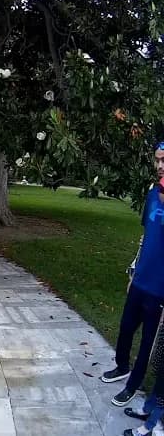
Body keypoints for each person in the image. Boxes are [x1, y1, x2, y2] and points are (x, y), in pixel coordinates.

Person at [101, 141, 164, 407]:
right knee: (126, 328)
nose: (160, 165)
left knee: (147, 342)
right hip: (140, 280)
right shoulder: (152, 194)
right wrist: (133, 270)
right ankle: (122, 366)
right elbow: (145, 235)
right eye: (157, 160)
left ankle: (133, 384)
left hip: (160, 289)